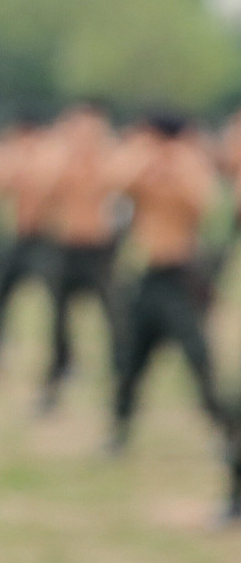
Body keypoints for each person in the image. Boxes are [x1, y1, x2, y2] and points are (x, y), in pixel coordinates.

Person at [110, 113, 224, 454]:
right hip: (148, 275)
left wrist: (177, 163)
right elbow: (118, 186)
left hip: (181, 277)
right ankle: (120, 427)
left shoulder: (190, 167)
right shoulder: (144, 169)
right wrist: (149, 159)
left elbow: (204, 206)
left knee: (199, 359)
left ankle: (224, 431)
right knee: (132, 358)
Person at [40, 103, 126, 413]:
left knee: (113, 315)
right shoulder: (60, 162)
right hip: (67, 247)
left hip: (98, 248)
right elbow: (46, 193)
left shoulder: (110, 161)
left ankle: (120, 367)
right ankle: (59, 369)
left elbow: (122, 190)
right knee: (58, 317)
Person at [0, 122, 61, 381]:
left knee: (57, 304)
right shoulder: (15, 162)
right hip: (19, 239)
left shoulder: (52, 162)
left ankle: (60, 362)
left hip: (44, 241)